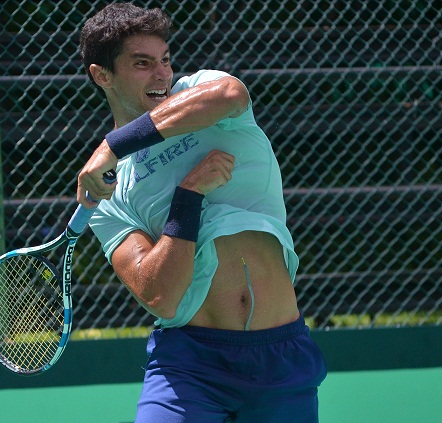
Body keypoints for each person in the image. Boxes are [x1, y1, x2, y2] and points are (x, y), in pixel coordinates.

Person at [77, 3, 326, 422]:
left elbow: (230, 95)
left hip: (282, 360)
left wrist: (114, 144)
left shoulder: (203, 89)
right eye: (142, 63)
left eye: (165, 60)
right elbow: (161, 296)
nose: (161, 74)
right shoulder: (107, 191)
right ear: (102, 75)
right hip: (189, 367)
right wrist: (188, 197)